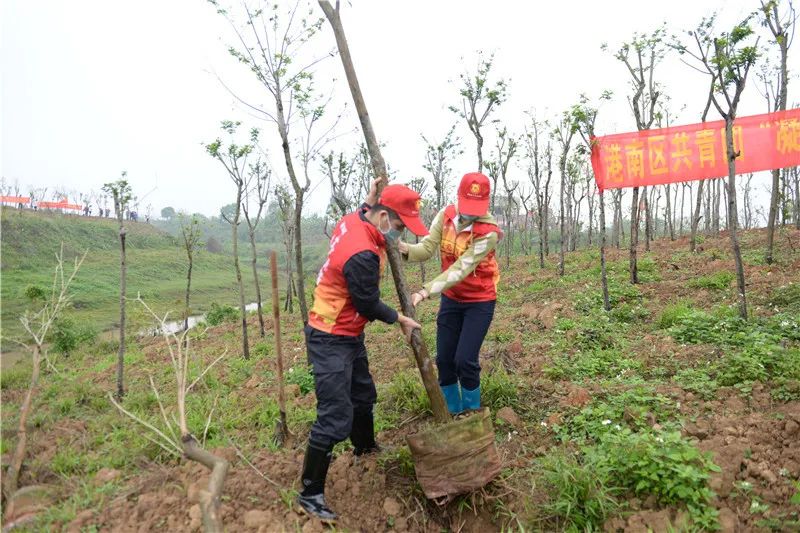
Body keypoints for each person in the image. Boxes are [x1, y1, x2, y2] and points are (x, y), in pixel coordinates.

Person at [297, 180, 427, 523]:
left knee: (362, 394)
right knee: (335, 413)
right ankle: (310, 493)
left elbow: (361, 210)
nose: (399, 234)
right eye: (399, 226)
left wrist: (370, 196)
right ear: (383, 217)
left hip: (347, 332)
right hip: (329, 336)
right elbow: (367, 302)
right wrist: (399, 318)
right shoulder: (362, 254)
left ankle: (365, 447)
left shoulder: (355, 219)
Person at [399, 172, 502, 415]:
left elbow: (460, 269)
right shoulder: (445, 216)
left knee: (465, 359)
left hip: (480, 301)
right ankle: (453, 413)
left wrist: (425, 292)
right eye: (467, 205)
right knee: (445, 360)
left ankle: (472, 415)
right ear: (458, 198)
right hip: (452, 299)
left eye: (476, 207)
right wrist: (402, 249)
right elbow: (425, 248)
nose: (470, 213)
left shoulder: (489, 232)